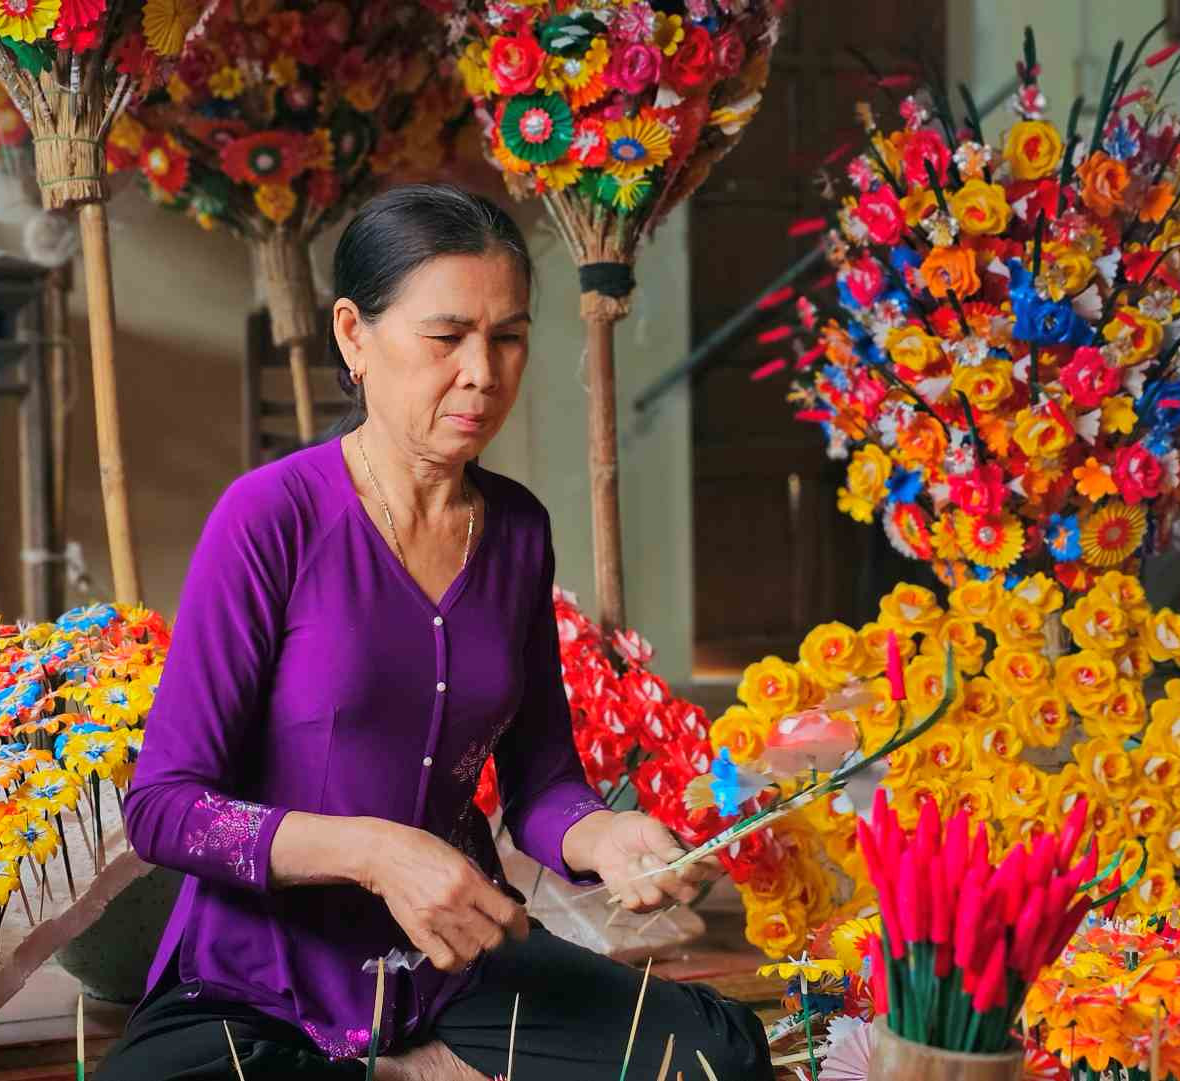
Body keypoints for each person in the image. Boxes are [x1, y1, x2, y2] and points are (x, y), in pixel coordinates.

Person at [97, 185, 773, 1081]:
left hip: (450, 965)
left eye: (508, 337)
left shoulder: (518, 531)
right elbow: (165, 807)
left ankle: (430, 1061)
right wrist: (376, 852)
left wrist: (604, 839)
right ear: (353, 336)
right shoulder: (269, 518)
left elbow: (543, 781)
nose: (483, 373)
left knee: (718, 1054)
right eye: (446, 337)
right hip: (261, 975)